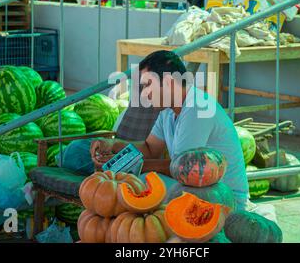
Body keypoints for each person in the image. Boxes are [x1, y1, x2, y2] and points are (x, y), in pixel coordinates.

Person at [89, 50, 250, 210]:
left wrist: (131, 167)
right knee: (136, 182)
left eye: (148, 85)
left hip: (226, 200)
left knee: (141, 183)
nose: (145, 94)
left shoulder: (198, 108)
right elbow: (150, 148)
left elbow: (183, 169)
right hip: (200, 191)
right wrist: (113, 145)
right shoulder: (167, 110)